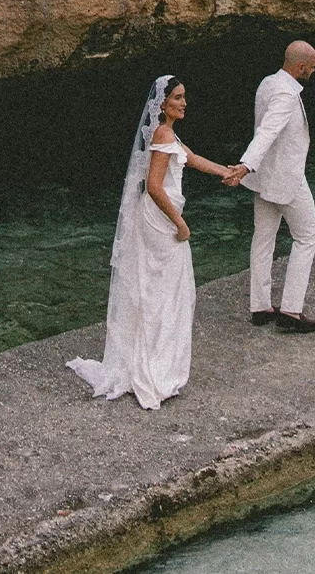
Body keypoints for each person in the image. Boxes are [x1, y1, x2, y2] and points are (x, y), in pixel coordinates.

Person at [67, 76, 240, 409]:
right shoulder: (162, 134)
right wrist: (180, 222)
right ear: (162, 105)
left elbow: (191, 158)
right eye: (177, 97)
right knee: (165, 293)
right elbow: (155, 186)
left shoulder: (169, 134)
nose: (183, 102)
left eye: (184, 97)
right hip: (160, 220)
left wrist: (227, 171)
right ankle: (153, 371)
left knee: (169, 292)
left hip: (162, 217)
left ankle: (157, 364)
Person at [226, 40, 315, 333]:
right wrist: (245, 165)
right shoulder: (286, 95)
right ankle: (291, 311)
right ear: (301, 67)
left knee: (263, 239)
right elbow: (267, 132)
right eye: (312, 68)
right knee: (308, 237)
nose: (314, 72)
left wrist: (250, 169)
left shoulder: (268, 82)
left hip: (264, 178)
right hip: (284, 177)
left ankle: (261, 306)